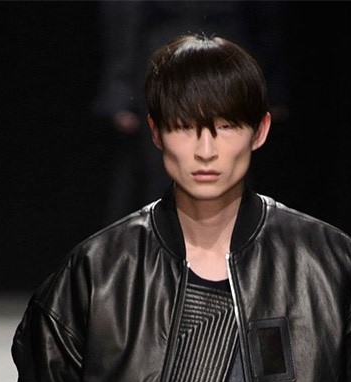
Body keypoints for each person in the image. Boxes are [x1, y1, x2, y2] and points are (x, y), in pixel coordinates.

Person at [11, 34, 351, 382]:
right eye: (184, 126)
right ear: (156, 132)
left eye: (226, 126)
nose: (205, 150)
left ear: (260, 131)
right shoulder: (96, 274)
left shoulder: (336, 268)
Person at [90, 1, 291, 224]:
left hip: (233, 52)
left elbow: (269, 15)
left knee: (233, 175)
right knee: (162, 177)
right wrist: (120, 86)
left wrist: (273, 82)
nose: (205, 151)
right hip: (163, 53)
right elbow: (123, 10)